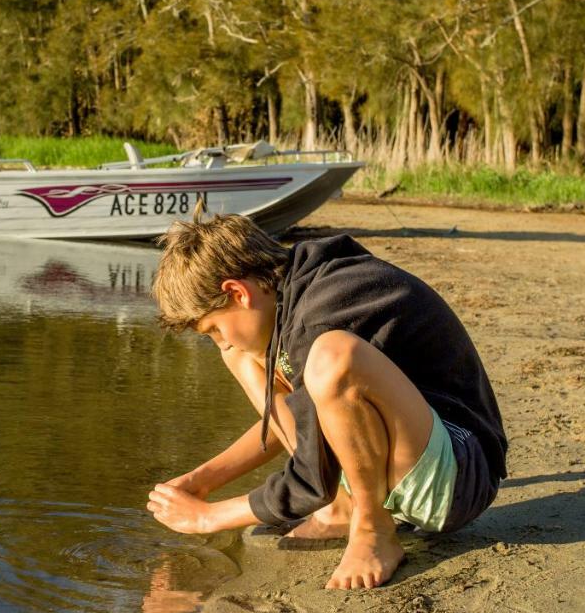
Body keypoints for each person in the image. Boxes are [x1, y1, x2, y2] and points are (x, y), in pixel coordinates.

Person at [147, 215, 506, 590]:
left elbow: (310, 477)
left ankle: (373, 528)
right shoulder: (295, 291)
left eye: (214, 330)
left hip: (461, 474)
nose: (219, 341)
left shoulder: (317, 319)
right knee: (243, 355)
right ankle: (341, 508)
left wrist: (209, 517)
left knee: (335, 359)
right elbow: (302, 426)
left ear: (238, 292)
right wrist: (204, 479)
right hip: (417, 451)